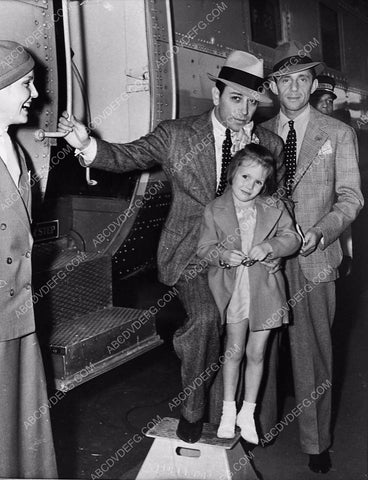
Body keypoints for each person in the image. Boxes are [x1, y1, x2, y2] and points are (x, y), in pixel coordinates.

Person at [58, 50, 284, 443]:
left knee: (253, 338)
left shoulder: (270, 144)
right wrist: (86, 145)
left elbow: (276, 205)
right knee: (206, 320)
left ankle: (237, 416)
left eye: (252, 101)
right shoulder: (176, 134)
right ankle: (194, 410)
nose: (245, 110)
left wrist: (275, 250)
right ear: (216, 96)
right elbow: (125, 155)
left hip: (247, 258)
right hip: (192, 253)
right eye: (236, 98)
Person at [262, 41, 364, 473]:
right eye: (285, 79)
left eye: (303, 79)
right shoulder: (259, 132)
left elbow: (351, 198)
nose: (294, 87)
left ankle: (316, 443)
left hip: (314, 257)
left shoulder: (338, 132)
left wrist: (321, 234)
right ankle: (258, 428)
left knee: (313, 353)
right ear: (271, 86)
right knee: (258, 350)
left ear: (314, 83)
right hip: (263, 259)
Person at [197, 144, 300, 443]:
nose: (249, 186)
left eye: (258, 182)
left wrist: (270, 247)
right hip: (233, 291)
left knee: (257, 354)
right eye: (245, 177)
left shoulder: (273, 207)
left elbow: (291, 237)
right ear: (232, 174)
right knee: (234, 351)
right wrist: (222, 255)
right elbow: (204, 248)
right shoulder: (213, 209)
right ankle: (229, 411)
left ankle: (248, 413)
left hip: (265, 291)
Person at [0, 40, 58, 477]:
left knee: (21, 435)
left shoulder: (15, 151)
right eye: (25, 85)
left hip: (19, 316)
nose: (34, 95)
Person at [311, 75, 353, 275]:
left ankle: (347, 260)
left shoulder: (340, 132)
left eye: (330, 102)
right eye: (322, 102)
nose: (327, 106)